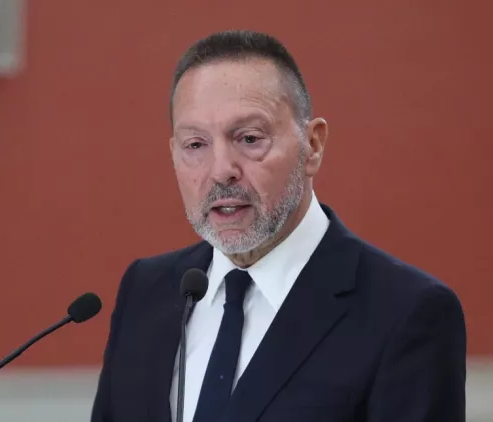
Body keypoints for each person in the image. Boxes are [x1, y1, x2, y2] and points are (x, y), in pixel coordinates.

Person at [91, 30, 466, 422]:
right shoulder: (145, 291)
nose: (221, 170)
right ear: (174, 154)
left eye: (249, 138)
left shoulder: (406, 312)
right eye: (196, 145)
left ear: (313, 145)